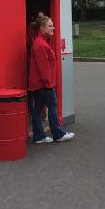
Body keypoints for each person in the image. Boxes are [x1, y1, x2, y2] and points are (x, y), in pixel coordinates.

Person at [29, 15, 75, 144]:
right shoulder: (40, 44)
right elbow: (43, 69)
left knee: (37, 109)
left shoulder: (40, 42)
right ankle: (58, 134)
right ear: (42, 28)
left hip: (39, 84)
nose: (53, 27)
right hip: (44, 84)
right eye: (50, 25)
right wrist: (49, 85)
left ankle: (39, 136)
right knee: (52, 106)